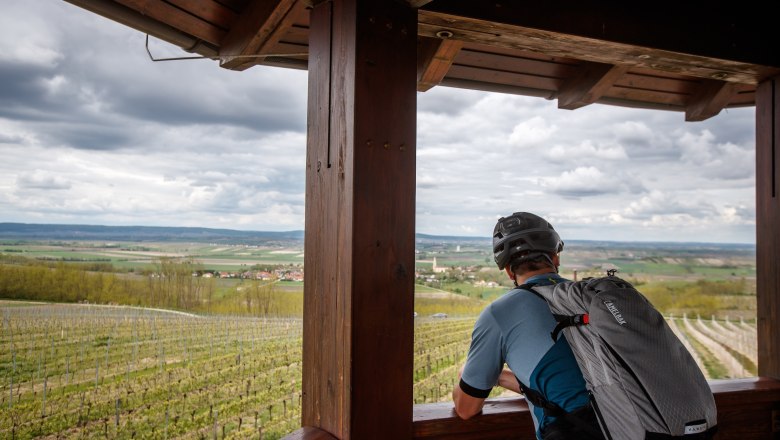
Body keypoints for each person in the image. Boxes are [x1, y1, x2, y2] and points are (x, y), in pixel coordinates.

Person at [452, 212, 604, 440]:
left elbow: (466, 409)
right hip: (646, 425)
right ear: (555, 259)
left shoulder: (499, 312)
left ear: (508, 271)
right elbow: (571, 381)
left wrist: (469, 376)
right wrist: (501, 377)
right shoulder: (598, 298)